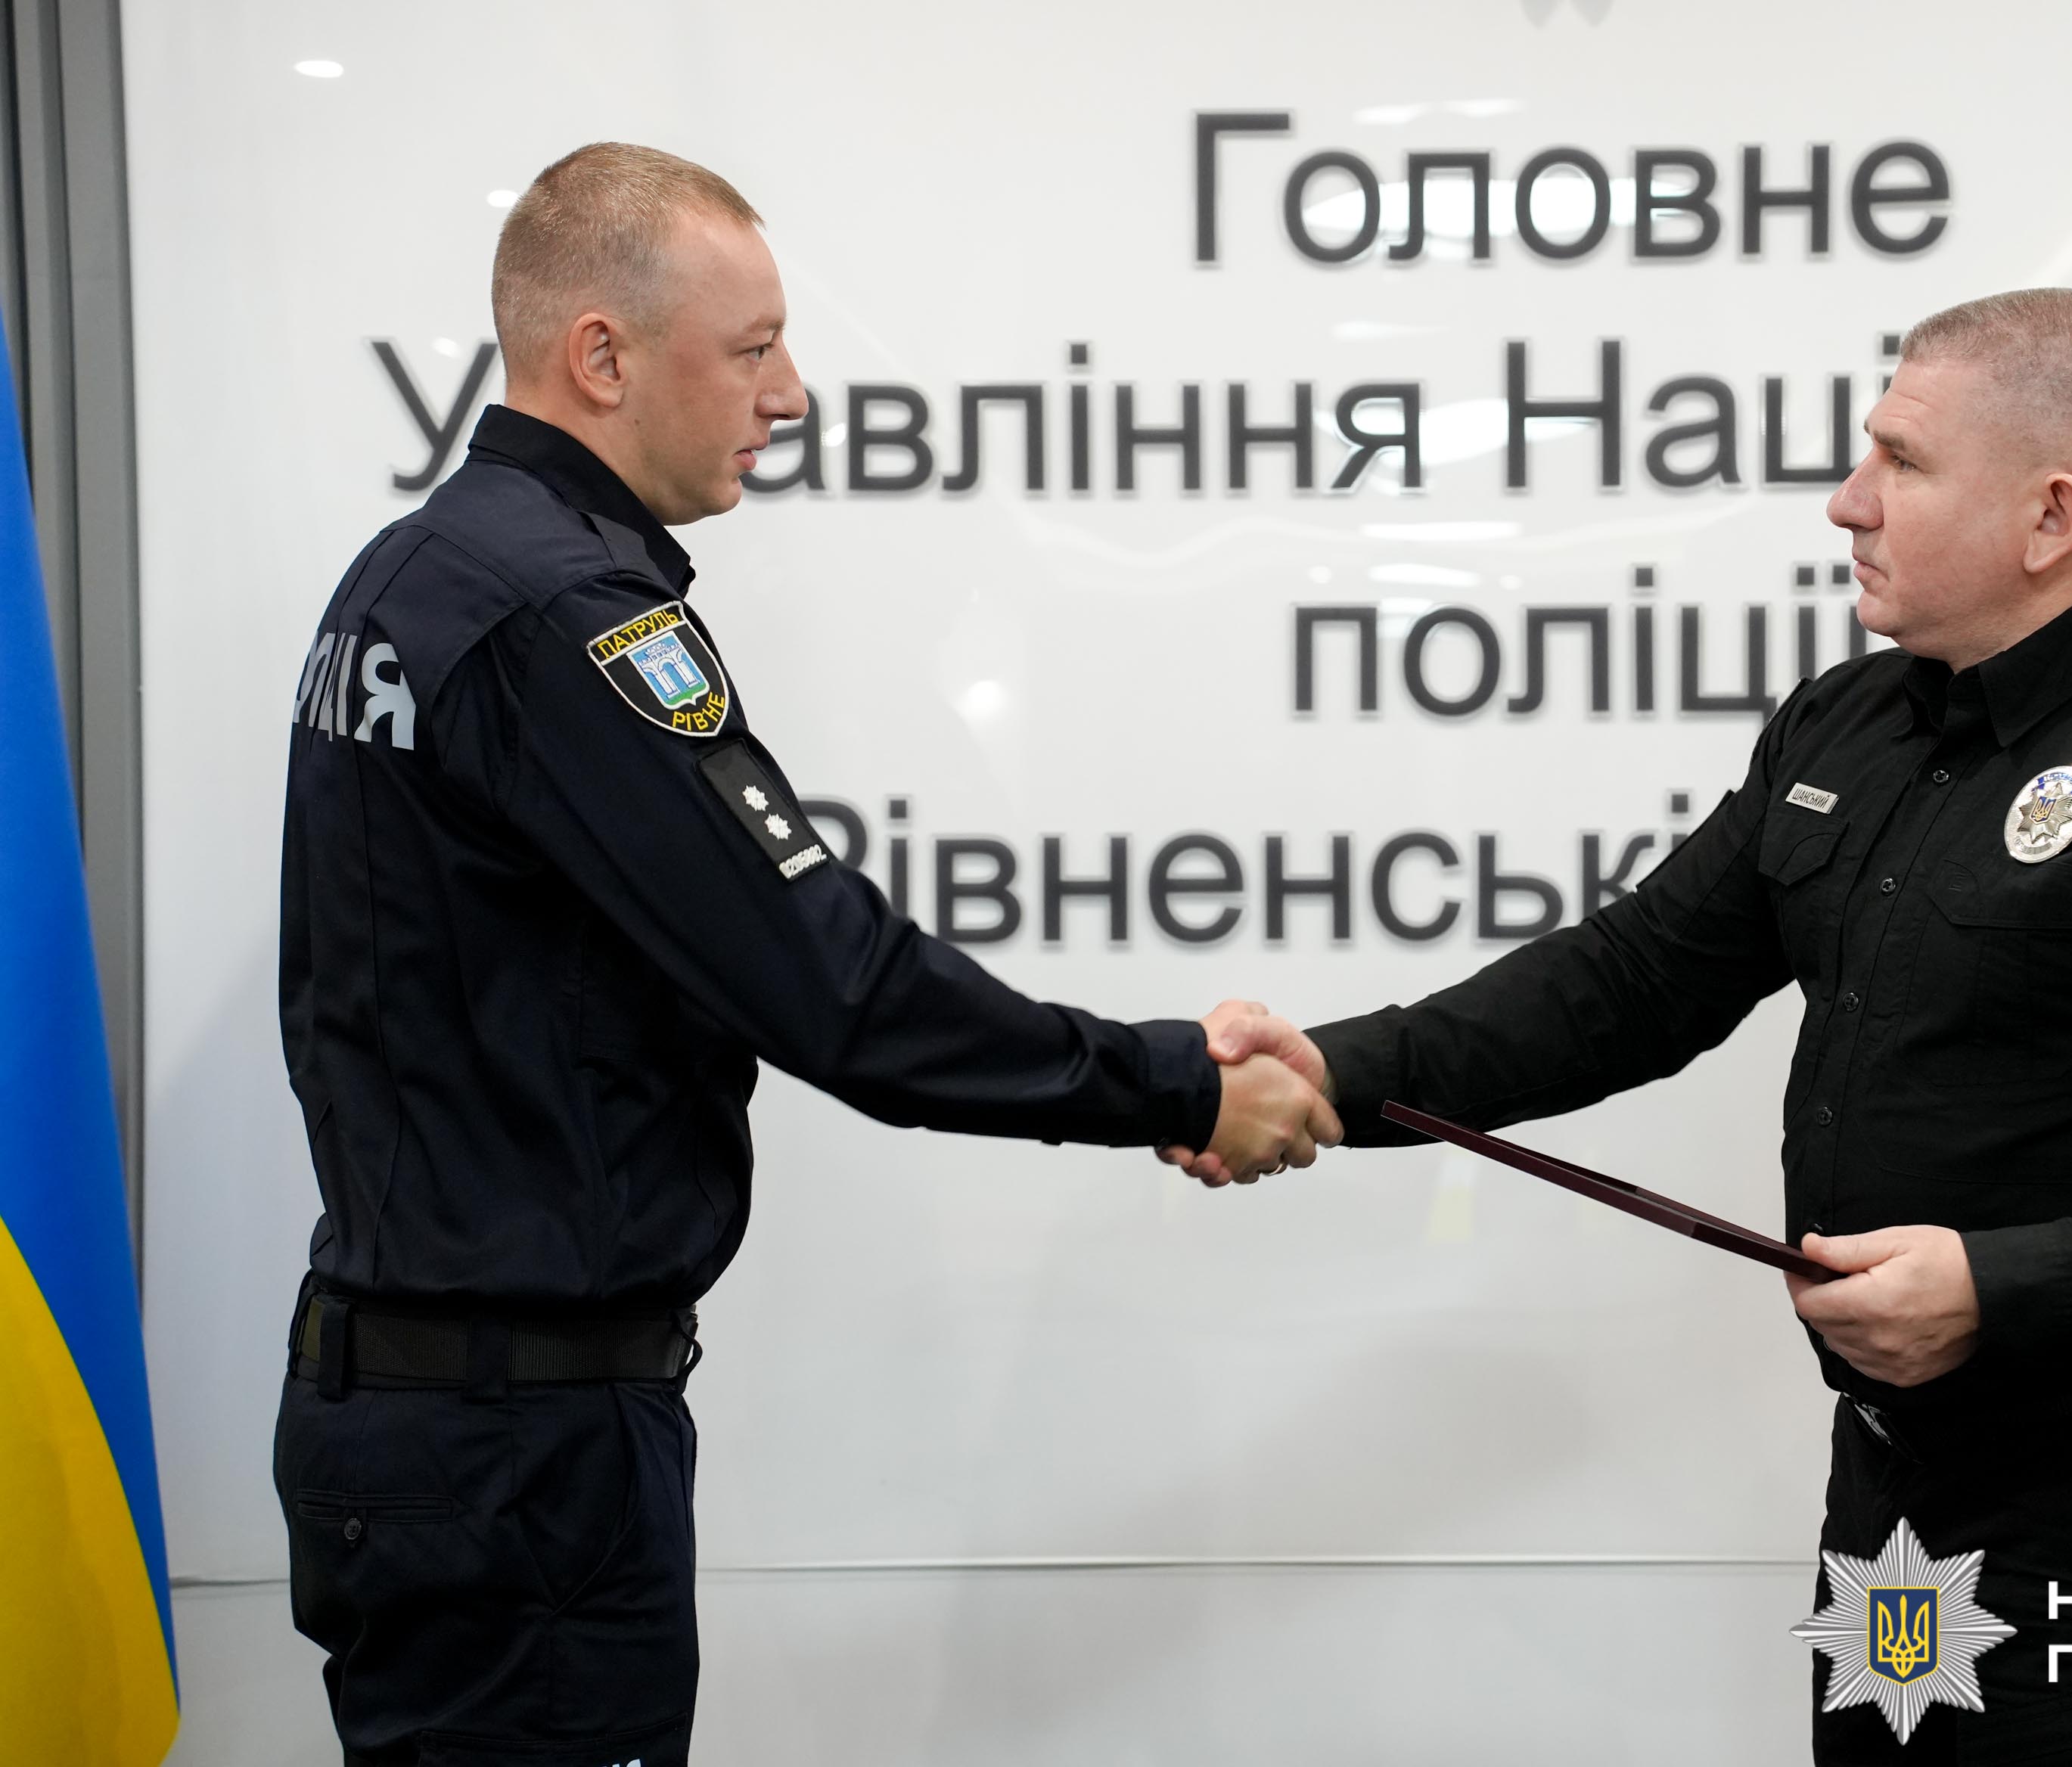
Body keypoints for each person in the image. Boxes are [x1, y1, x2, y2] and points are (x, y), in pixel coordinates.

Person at [1179, 290, 2072, 1762]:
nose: (1846, 501)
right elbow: (1636, 977)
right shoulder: (1852, 722)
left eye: (1901, 462)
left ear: (2051, 516)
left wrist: (2005, 1288)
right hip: (1897, 1506)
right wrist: (1338, 1069)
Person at [275, 141, 1337, 1767]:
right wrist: (1176, 1082)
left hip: (426, 1421)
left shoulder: (412, 575)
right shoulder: (567, 617)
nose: (793, 395)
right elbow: (837, 987)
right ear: (602, 357)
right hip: (520, 1458)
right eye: (755, 348)